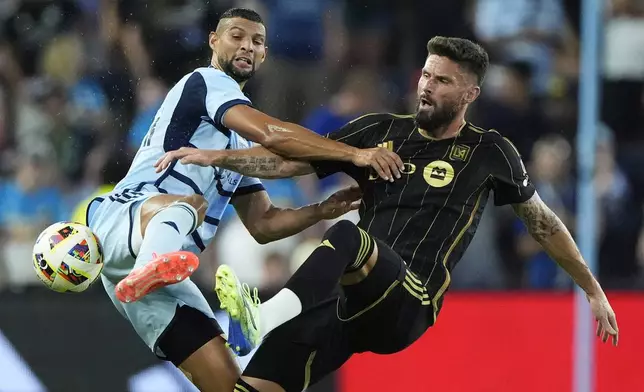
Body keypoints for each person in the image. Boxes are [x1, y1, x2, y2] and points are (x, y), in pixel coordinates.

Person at [158, 36, 620, 392]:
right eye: (425, 75)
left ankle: (259, 318)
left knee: (347, 235)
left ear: (470, 93)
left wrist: (592, 288)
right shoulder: (380, 130)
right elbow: (289, 162)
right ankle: (267, 324)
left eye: (442, 81)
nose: (426, 86)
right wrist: (218, 157)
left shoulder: (490, 151)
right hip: (348, 304)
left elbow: (542, 223)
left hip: (410, 300)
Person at [84, 8, 402, 392]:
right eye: (237, 36)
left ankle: (154, 266)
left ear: (264, 55)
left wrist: (320, 209)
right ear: (213, 41)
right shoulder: (205, 81)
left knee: (229, 386)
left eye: (257, 42)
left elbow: (265, 224)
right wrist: (354, 153)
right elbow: (273, 133)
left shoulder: (236, 146)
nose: (247, 46)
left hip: (160, 274)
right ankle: (154, 261)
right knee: (191, 205)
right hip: (128, 219)